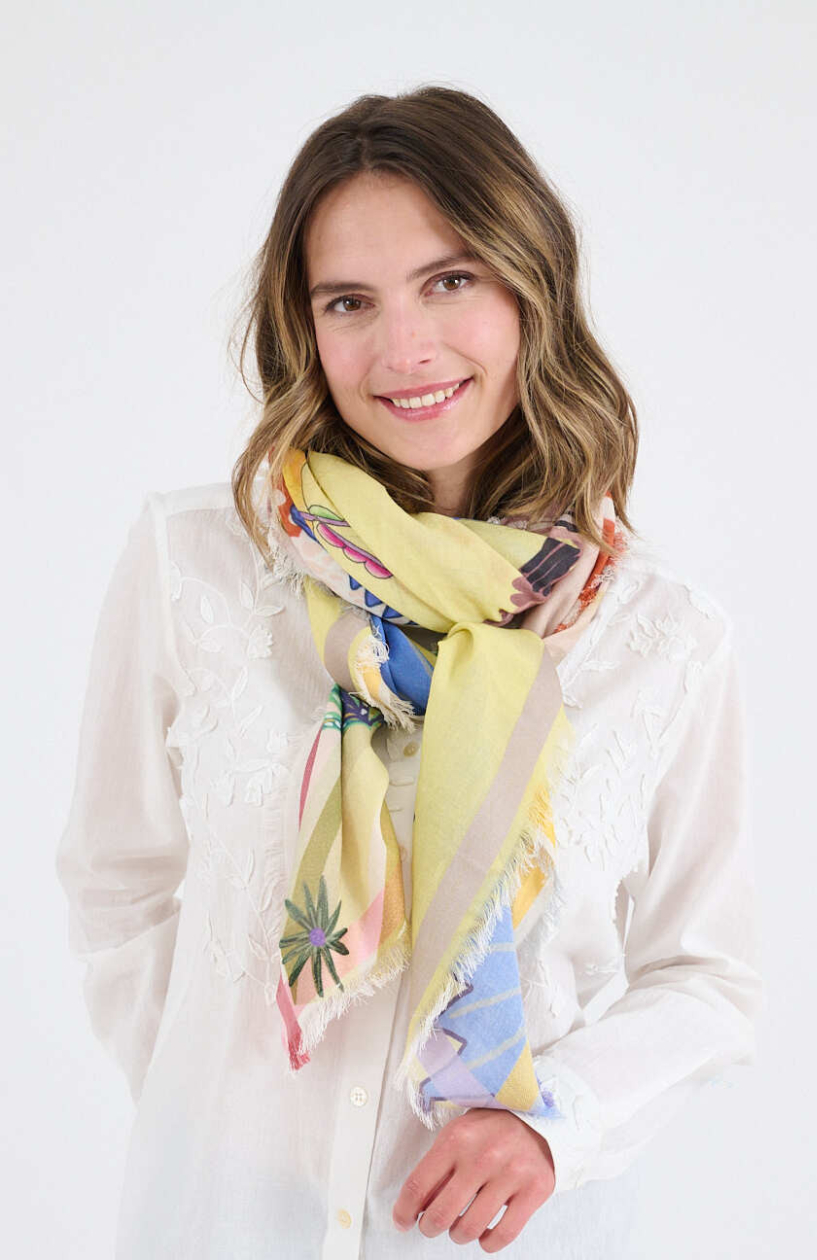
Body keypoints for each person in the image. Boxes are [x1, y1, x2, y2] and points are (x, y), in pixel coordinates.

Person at [56, 85, 763, 1259]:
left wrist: (556, 1124)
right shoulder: (197, 566)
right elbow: (115, 884)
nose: (405, 350)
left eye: (450, 281)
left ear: (531, 285)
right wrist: (222, 1113)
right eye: (350, 301)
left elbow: (706, 976)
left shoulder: (660, 636)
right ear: (304, 329)